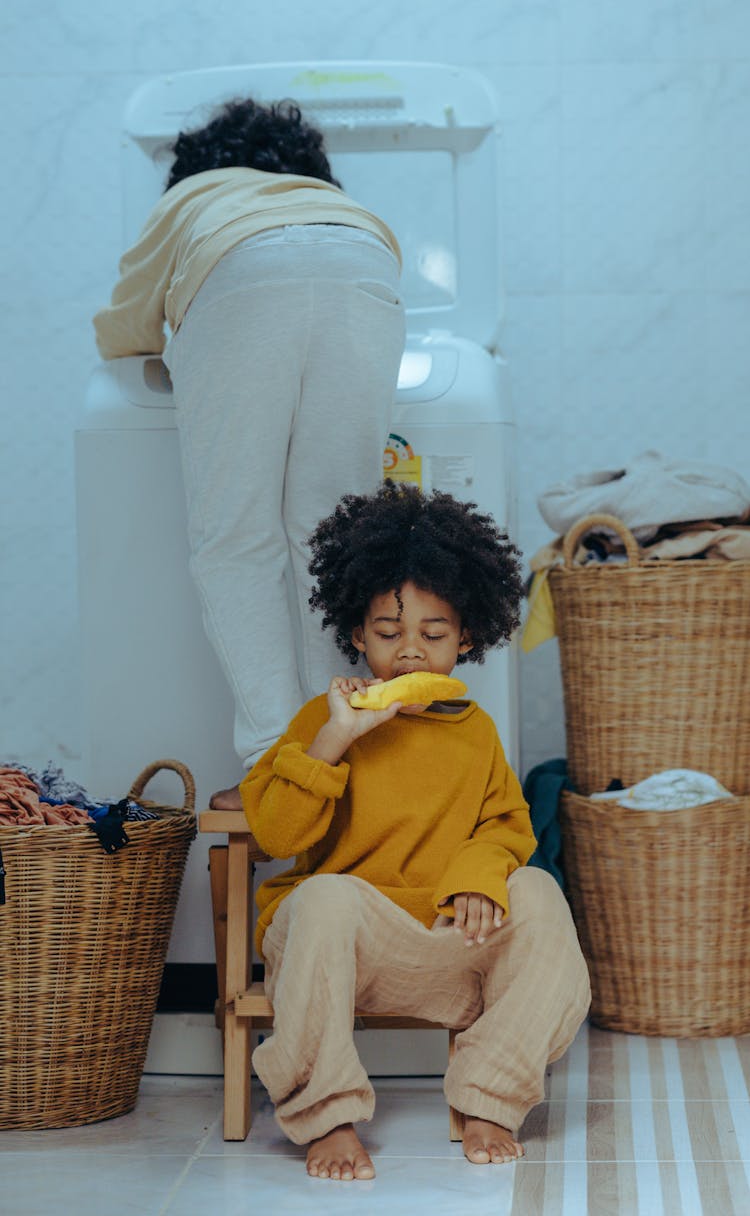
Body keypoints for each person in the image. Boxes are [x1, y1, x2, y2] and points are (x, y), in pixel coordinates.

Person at [240, 482, 591, 1180]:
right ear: (353, 634)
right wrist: (335, 742)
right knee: (329, 896)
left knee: (540, 892)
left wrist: (476, 880)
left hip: (448, 942)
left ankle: (491, 1095)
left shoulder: (475, 731)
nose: (409, 654)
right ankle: (327, 1117)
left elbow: (506, 828)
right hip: (345, 944)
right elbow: (276, 834)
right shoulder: (324, 719)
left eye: (432, 636)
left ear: (467, 636)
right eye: (387, 633)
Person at [93, 98, 405, 780]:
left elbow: (126, 327)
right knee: (336, 532)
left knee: (235, 538)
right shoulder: (323, 198)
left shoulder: (196, 199)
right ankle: (350, 744)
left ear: (198, 166)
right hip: (366, 258)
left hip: (239, 270)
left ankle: (277, 763)